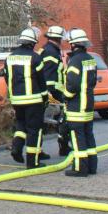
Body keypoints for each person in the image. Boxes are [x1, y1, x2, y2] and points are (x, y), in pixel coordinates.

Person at [4, 27, 47, 168]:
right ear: (32, 43)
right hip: (33, 100)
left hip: (16, 99)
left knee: (21, 124)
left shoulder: (9, 58)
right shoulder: (35, 57)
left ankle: (16, 148)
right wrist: (45, 97)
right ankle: (32, 162)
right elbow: (41, 80)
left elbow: (7, 77)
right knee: (34, 130)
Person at [61, 28, 98, 177]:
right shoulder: (90, 59)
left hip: (76, 107)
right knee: (89, 135)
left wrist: (65, 96)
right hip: (88, 105)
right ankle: (92, 166)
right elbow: (93, 82)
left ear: (73, 45)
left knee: (78, 138)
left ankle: (80, 168)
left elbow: (73, 85)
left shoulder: (75, 61)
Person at [39, 26, 65, 158]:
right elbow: (48, 75)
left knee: (43, 122)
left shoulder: (50, 50)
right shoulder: (50, 52)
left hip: (53, 92)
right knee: (61, 120)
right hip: (53, 93)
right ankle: (64, 147)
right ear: (59, 38)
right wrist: (51, 94)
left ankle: (63, 146)